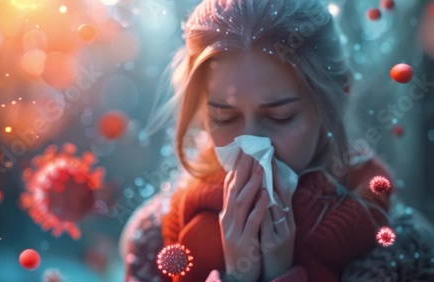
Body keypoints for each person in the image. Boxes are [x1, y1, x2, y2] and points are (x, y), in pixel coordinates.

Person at [120, 0, 400, 281]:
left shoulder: (394, 252)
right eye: (225, 118)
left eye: (280, 117)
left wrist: (281, 273)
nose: (252, 146)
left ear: (334, 103)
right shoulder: (154, 240)